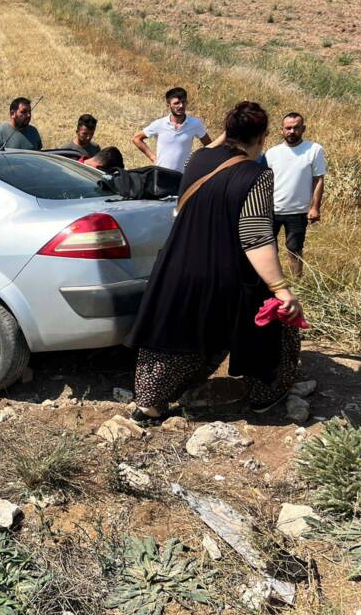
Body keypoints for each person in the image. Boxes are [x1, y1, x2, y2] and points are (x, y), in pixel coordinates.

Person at [127, 101, 303, 422]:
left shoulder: (198, 159)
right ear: (262, 136)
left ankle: (149, 404)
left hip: (177, 268)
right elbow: (255, 237)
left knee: (171, 337)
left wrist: (228, 131)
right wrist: (281, 289)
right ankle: (265, 393)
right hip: (226, 274)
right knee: (274, 327)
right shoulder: (258, 175)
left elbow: (218, 149)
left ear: (227, 131)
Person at [264, 112, 326, 277]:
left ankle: (298, 286)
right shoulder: (272, 153)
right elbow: (264, 181)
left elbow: (318, 180)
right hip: (272, 211)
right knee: (269, 251)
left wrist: (315, 208)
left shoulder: (314, 150)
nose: (292, 131)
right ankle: (274, 284)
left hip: (298, 211)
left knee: (294, 249)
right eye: (288, 128)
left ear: (303, 128)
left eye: (296, 128)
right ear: (281, 130)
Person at [132, 87, 212, 171]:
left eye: (183, 102)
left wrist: (197, 161)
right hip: (161, 174)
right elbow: (136, 139)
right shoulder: (160, 124)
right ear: (168, 105)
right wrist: (153, 158)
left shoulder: (195, 124)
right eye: (176, 103)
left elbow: (210, 146)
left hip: (183, 176)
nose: (181, 106)